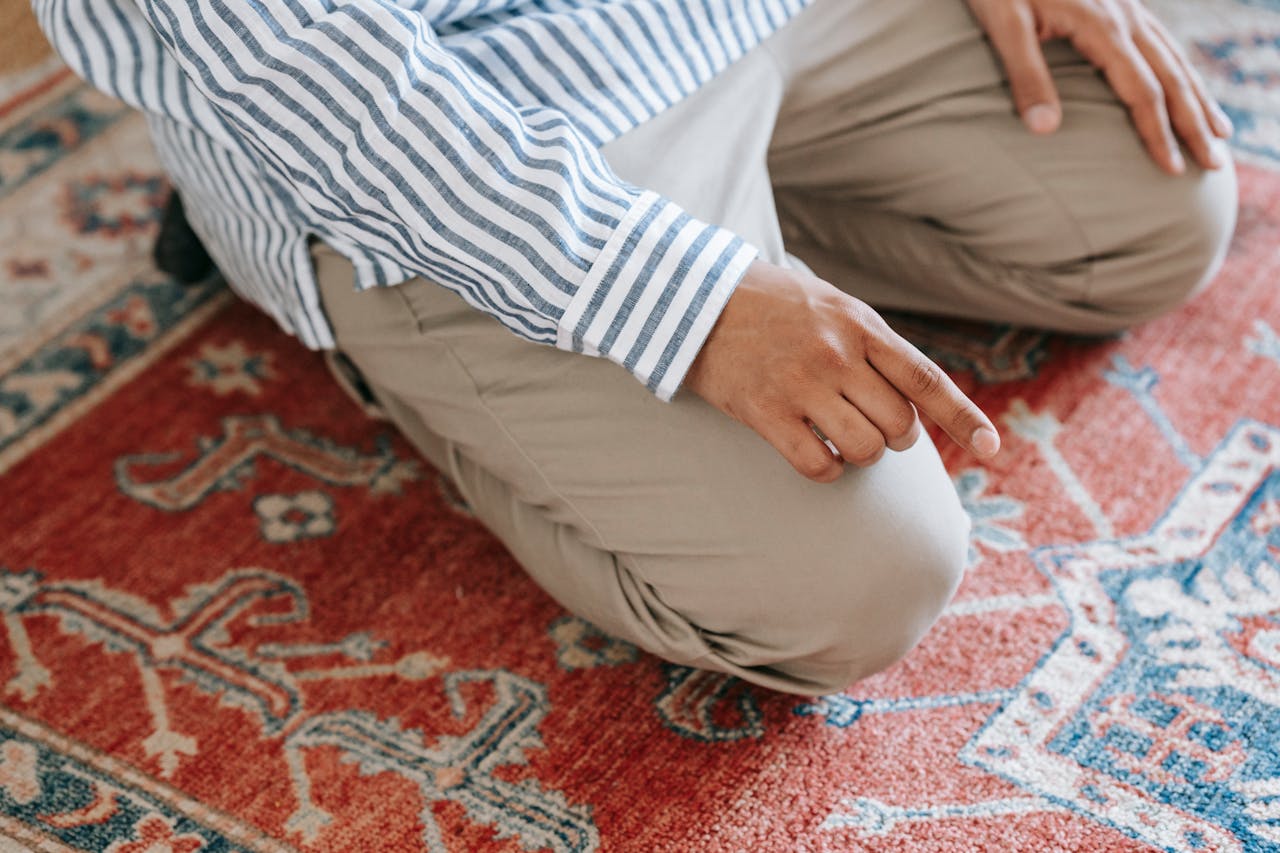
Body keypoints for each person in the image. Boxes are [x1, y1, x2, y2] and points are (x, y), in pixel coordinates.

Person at [36, 0, 1236, 696]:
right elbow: (334, 89)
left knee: (1156, 207)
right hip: (437, 126)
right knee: (853, 584)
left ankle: (755, 228)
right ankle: (390, 321)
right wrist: (690, 300)